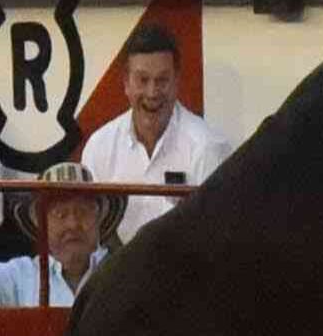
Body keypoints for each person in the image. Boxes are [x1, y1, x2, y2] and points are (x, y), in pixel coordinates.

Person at [73, 22, 220, 237]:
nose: (152, 93)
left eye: (162, 80)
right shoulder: (99, 146)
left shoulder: (207, 147)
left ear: (177, 81)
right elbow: (91, 236)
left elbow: (214, 235)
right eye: (143, 80)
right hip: (118, 268)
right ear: (126, 83)